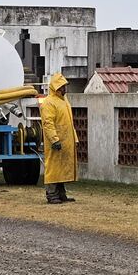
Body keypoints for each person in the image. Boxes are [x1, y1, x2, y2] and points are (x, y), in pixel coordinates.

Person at [39, 72, 79, 204]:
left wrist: (75, 138)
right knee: (53, 168)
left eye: (65, 86)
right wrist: (54, 140)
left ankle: (61, 194)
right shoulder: (49, 103)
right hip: (55, 141)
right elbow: (48, 124)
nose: (64, 88)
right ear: (56, 87)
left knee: (62, 168)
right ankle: (51, 194)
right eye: (62, 86)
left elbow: (69, 122)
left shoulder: (64, 101)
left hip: (66, 140)